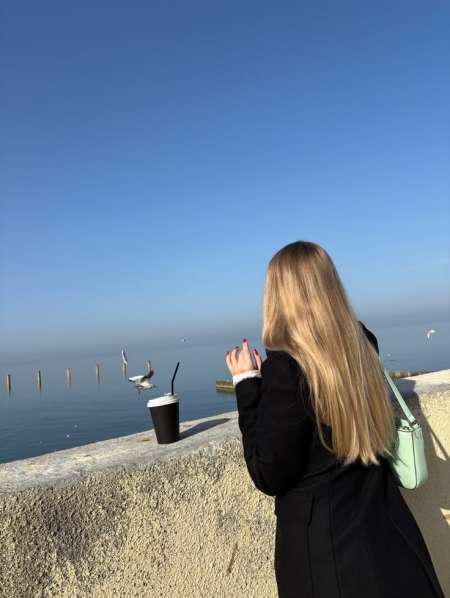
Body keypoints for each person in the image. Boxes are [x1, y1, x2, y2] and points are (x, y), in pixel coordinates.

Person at [225, 240, 444, 598]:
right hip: (386, 532)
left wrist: (246, 384)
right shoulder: (363, 343)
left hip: (327, 557)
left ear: (277, 297)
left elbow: (268, 472)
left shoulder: (286, 369)